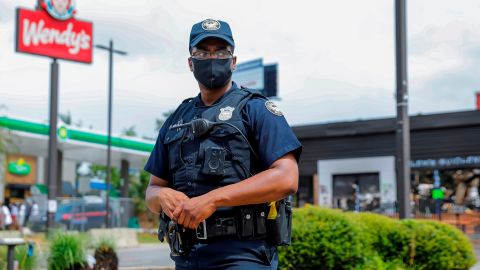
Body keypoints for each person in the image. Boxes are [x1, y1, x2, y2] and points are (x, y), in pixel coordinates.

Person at [145, 19, 302, 269]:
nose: (212, 58)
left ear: (233, 61)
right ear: (190, 62)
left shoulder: (257, 110)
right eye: (202, 52)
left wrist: (213, 200)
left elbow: (287, 178)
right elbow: (152, 191)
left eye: (221, 52)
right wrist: (161, 196)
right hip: (187, 255)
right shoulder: (176, 121)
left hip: (244, 254)